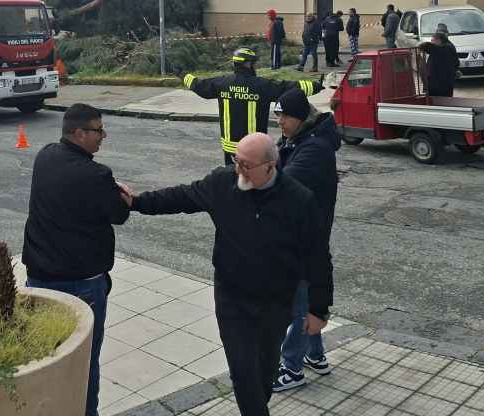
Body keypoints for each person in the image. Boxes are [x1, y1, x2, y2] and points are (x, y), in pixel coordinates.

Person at [118, 133, 333, 416]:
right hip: (232, 298)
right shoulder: (223, 183)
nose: (238, 170)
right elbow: (181, 197)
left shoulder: (299, 200)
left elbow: (317, 257)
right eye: (236, 161)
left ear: (271, 166)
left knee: (265, 370)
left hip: (275, 302)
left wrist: (319, 309)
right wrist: (136, 202)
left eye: (247, 165)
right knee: (243, 370)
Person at [22, 104, 130, 416]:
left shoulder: (45, 156)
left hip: (39, 282)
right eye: (98, 130)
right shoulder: (96, 175)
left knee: (44, 357)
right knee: (83, 362)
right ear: (79, 133)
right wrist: (119, 191)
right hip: (82, 286)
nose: (103, 137)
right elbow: (119, 213)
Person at [272, 89, 340, 393]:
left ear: (300, 117)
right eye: (277, 116)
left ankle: (292, 366)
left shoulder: (315, 150)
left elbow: (283, 184)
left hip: (305, 236)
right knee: (306, 295)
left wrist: (253, 174)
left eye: (284, 116)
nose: (280, 122)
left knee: (299, 301)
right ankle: (315, 354)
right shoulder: (297, 139)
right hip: (303, 233)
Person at [184, 48, 322, 164]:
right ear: (248, 65)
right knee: (255, 183)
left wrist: (183, 75)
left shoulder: (222, 83)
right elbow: (289, 89)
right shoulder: (261, 85)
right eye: (253, 64)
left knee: (233, 182)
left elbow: (199, 86)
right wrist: (315, 86)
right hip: (255, 147)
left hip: (229, 148)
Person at [419, 22, 459, 97]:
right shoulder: (445, 46)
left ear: (438, 40)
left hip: (441, 85)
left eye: (432, 40)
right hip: (438, 83)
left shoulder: (447, 47)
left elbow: (428, 46)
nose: (432, 42)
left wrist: (421, 46)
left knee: (442, 103)